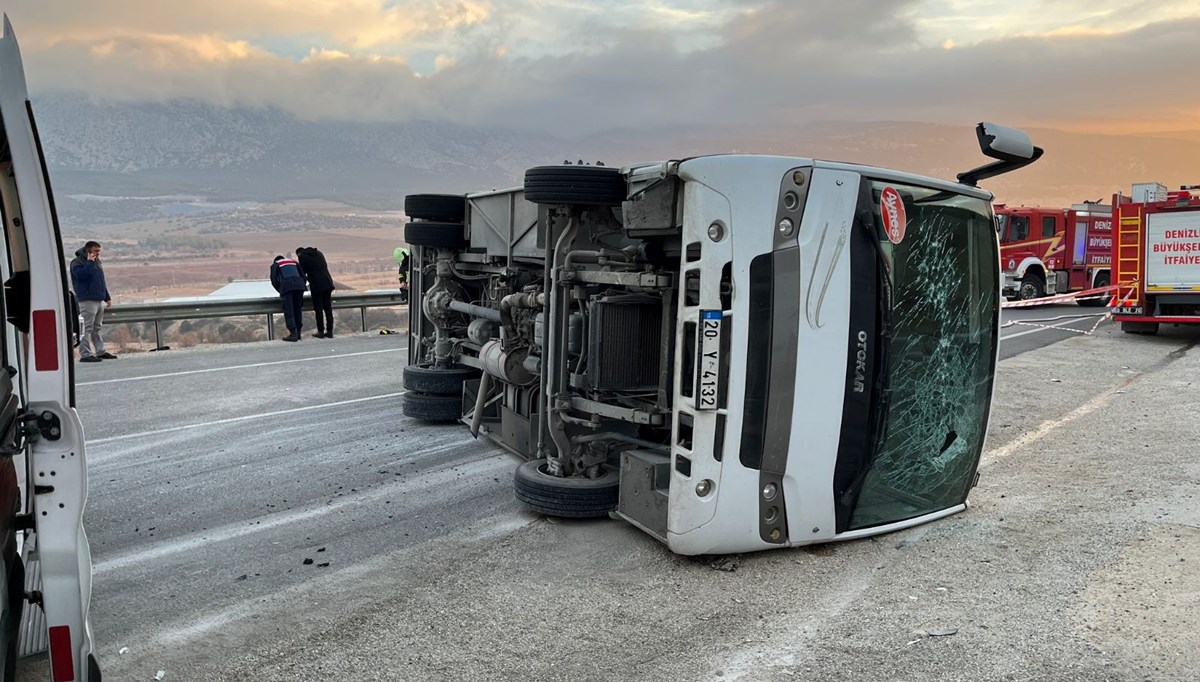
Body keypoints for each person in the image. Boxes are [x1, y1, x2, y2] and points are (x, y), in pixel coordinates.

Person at [69, 241, 116, 362]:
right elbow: (81, 275)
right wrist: (89, 262)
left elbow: (101, 281)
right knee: (86, 328)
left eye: (99, 251)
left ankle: (100, 351)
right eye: (96, 251)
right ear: (88, 250)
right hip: (87, 300)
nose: (98, 253)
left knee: (97, 328)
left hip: (98, 299)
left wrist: (107, 297)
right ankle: (85, 354)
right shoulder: (77, 262)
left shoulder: (97, 262)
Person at [296, 246, 335, 338]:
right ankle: (330, 331)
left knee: (318, 309)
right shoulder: (319, 253)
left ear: (298, 253)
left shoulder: (302, 257)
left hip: (316, 284)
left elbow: (303, 273)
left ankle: (320, 331)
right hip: (327, 282)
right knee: (328, 308)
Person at [270, 254, 307, 342]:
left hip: (287, 287)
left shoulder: (275, 265)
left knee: (289, 310)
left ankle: (293, 334)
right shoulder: (294, 262)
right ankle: (298, 333)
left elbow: (274, 280)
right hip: (299, 286)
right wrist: (301, 285)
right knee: (297, 309)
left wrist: (280, 290)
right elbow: (304, 276)